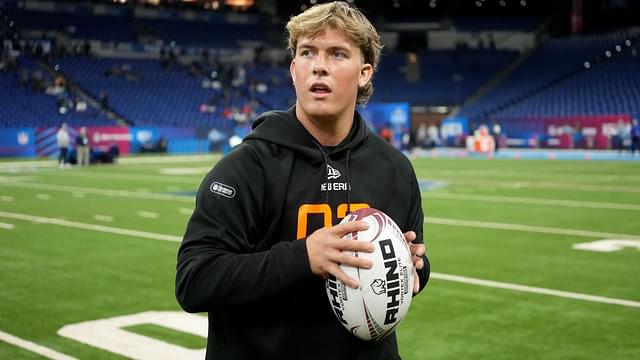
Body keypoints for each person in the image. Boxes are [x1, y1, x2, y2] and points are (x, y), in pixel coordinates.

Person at [175, 2, 430, 360]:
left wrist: (414, 266)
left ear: (364, 73)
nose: (319, 66)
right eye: (308, 52)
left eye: (337, 54)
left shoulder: (394, 168)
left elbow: (414, 262)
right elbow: (193, 281)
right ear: (294, 69)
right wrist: (303, 256)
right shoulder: (246, 167)